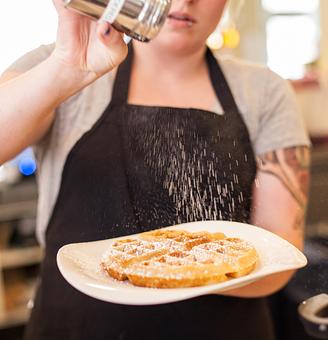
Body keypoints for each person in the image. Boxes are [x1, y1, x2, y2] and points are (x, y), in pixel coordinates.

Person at [0, 0, 310, 339]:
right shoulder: (65, 58)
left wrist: (164, 269)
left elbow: (278, 256)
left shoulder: (265, 91)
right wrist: (68, 67)